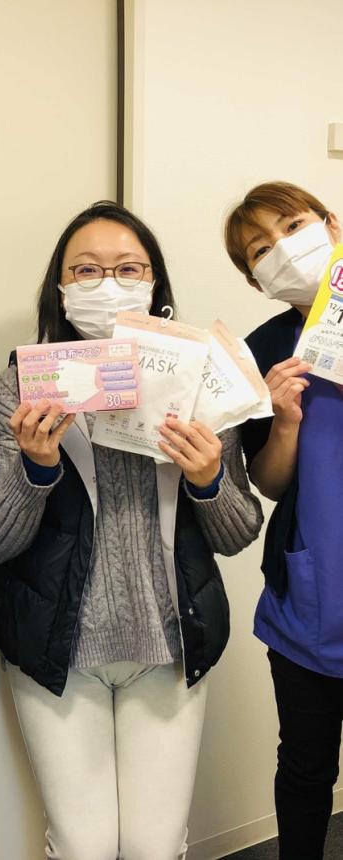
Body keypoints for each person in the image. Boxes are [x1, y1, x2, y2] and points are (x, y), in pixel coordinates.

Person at [0, 200, 263, 860]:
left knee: (157, 846)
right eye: (86, 270)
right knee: (83, 846)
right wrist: (36, 470)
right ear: (60, 288)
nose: (108, 285)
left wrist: (209, 478)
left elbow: (239, 532)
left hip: (169, 646)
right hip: (59, 649)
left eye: (128, 269)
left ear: (154, 285)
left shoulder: (199, 385)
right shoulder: (20, 389)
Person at [224, 181, 343, 860]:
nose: (282, 251)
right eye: (259, 250)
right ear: (255, 281)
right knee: (304, 767)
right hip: (311, 599)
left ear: (331, 223)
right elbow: (268, 483)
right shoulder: (262, 349)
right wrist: (286, 422)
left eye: (293, 227)